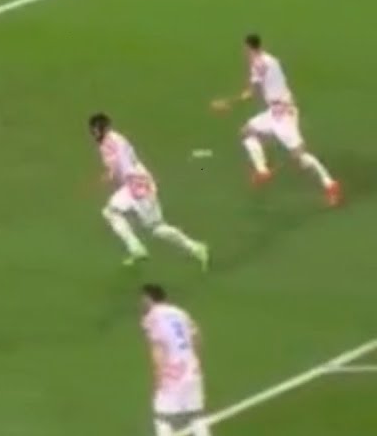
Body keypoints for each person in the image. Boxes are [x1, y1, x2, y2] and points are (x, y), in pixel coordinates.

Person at [212, 33, 341, 206]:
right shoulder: (271, 59)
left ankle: (330, 184)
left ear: (248, 48)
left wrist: (228, 102)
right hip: (275, 111)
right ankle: (262, 171)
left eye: (244, 48)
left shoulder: (258, 64)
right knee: (247, 132)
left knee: (300, 157)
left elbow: (252, 93)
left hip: (283, 114)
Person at [91, 113, 209, 268]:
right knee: (110, 212)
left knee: (156, 228)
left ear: (105, 128)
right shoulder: (107, 142)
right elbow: (116, 165)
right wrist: (111, 175)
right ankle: (136, 248)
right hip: (132, 185)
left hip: (138, 185)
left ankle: (196, 247)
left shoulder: (114, 142)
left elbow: (124, 164)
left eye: (97, 129)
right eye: (93, 129)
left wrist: (114, 177)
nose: (95, 132)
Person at [140, 283, 214, 436]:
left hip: (172, 374)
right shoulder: (181, 312)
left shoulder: (151, 318)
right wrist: (194, 361)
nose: (141, 304)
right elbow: (198, 337)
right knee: (197, 417)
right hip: (192, 370)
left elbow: (158, 348)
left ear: (149, 299)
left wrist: (158, 377)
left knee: (162, 419)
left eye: (143, 300)